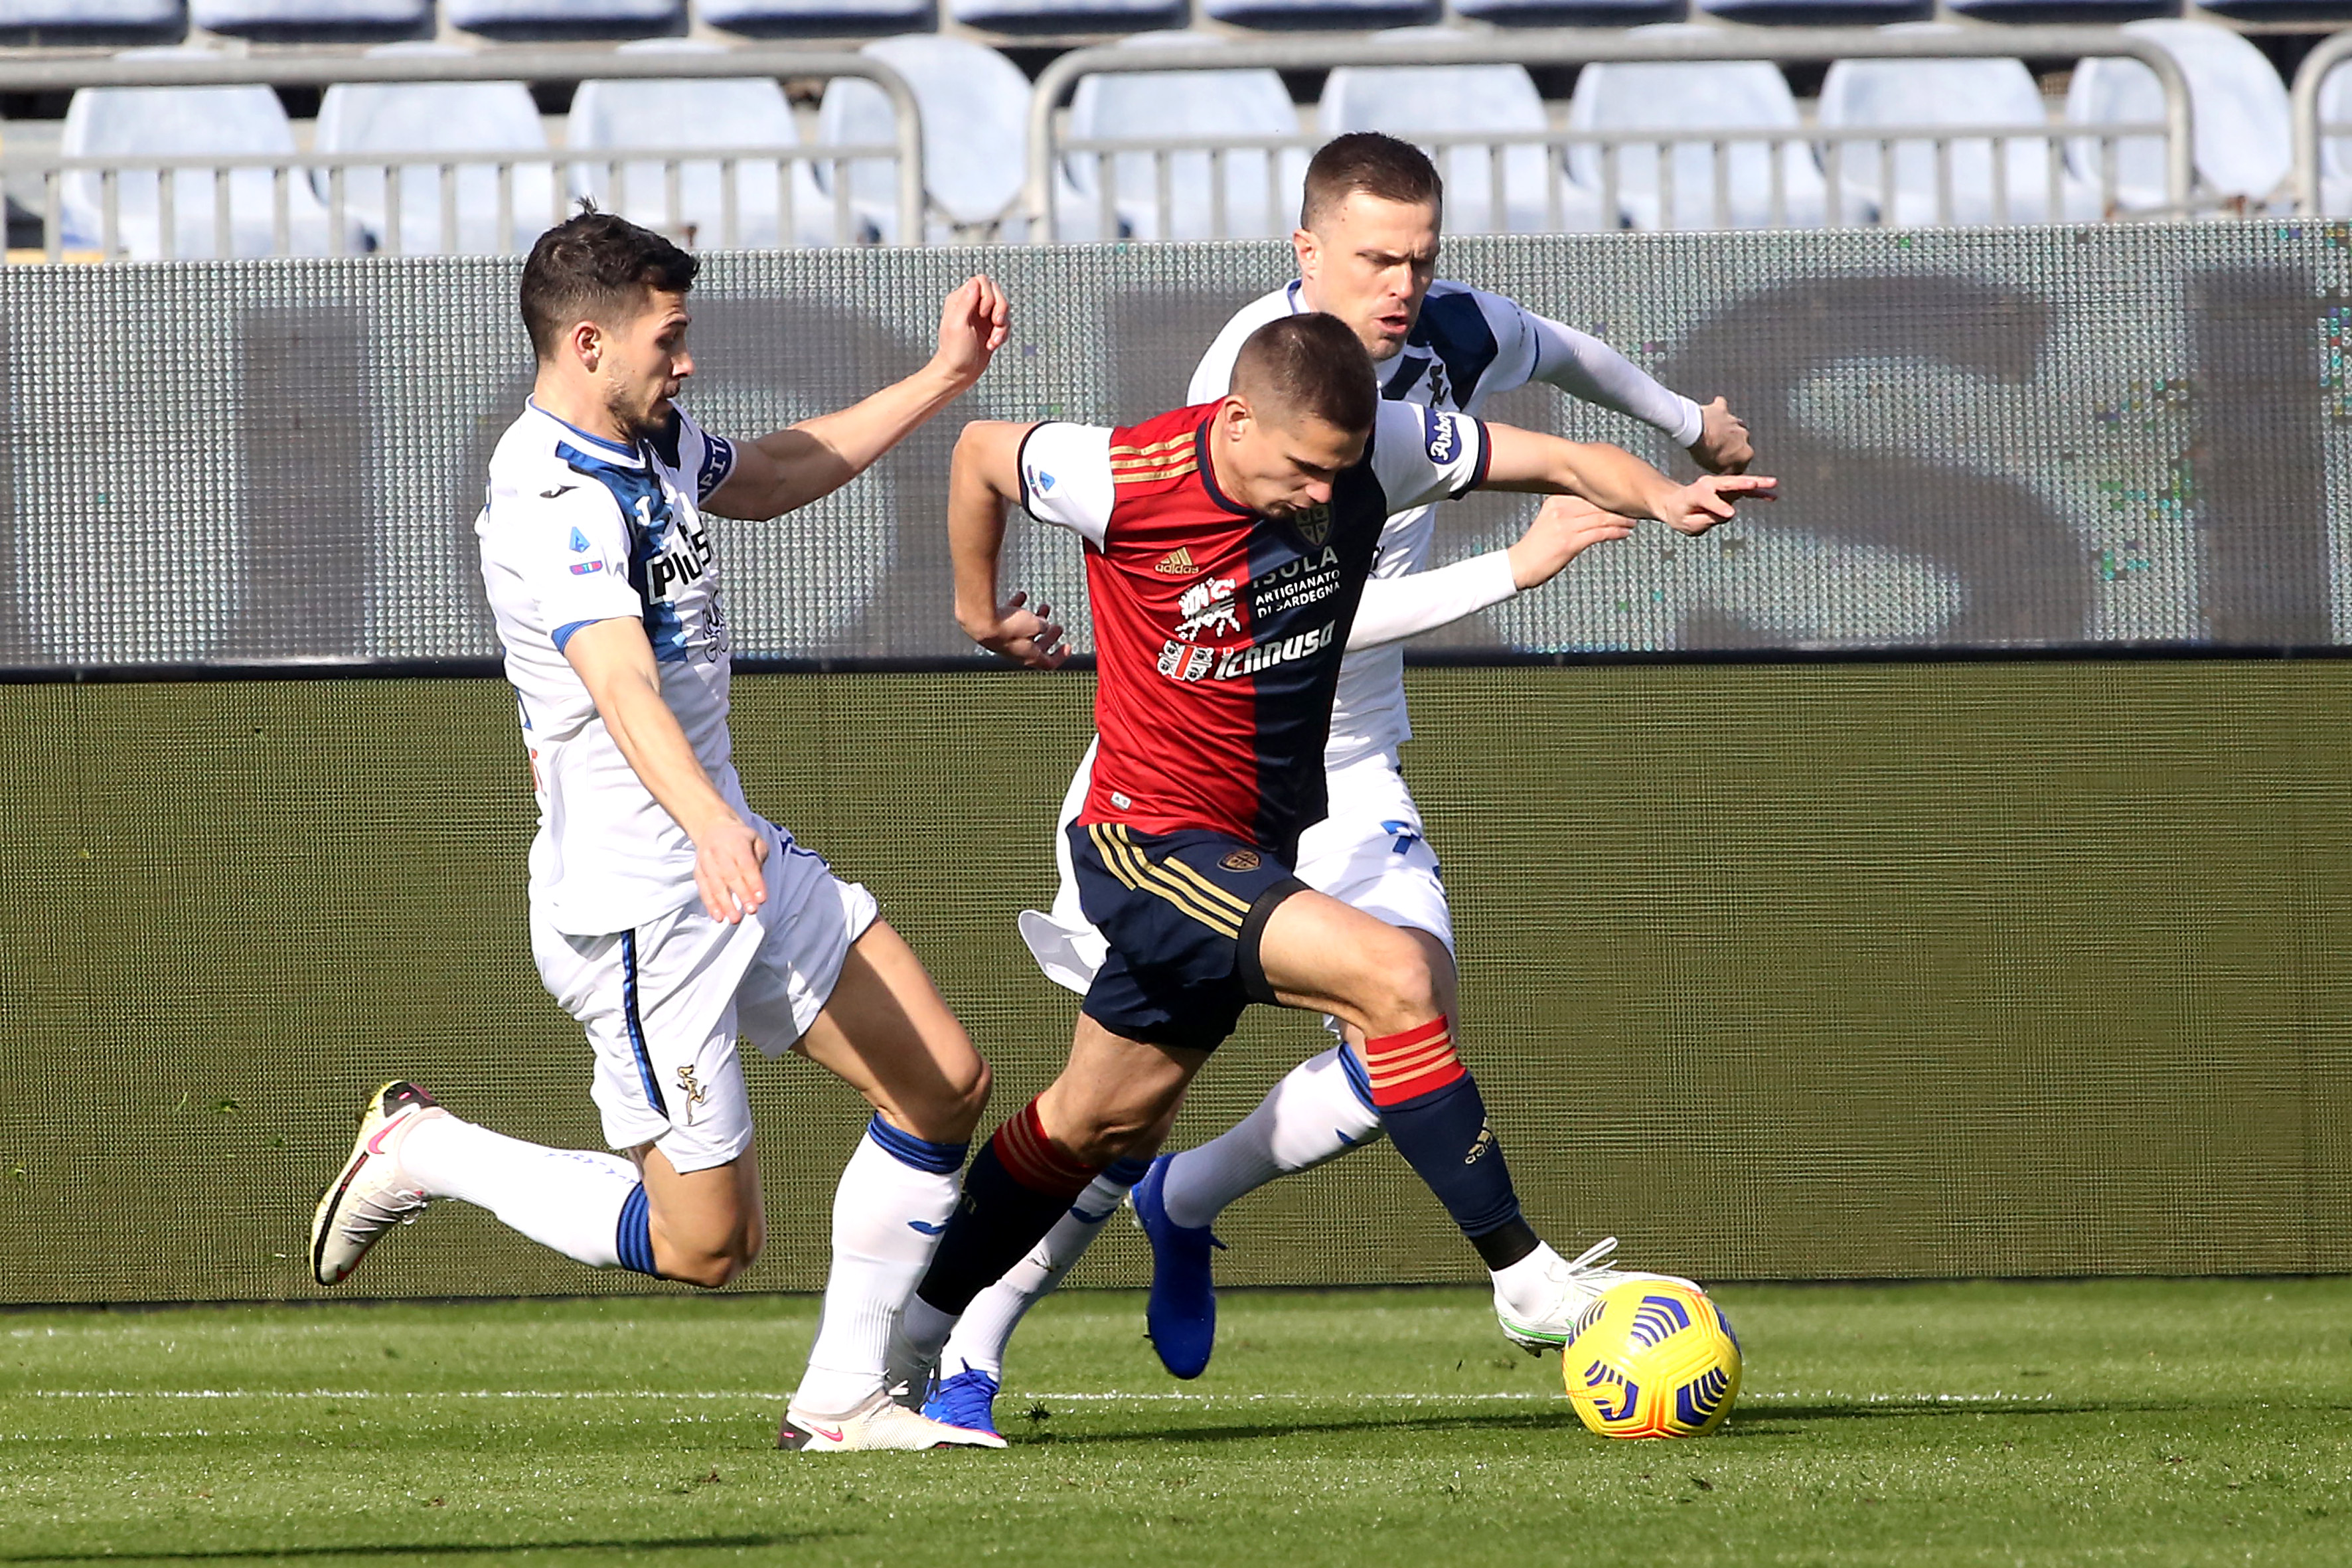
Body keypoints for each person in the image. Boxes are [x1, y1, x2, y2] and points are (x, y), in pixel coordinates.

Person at [926, 131, 1758, 1432]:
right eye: (1373, 256)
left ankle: (1189, 1200)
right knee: (1111, 1108)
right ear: (1303, 250)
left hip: (1342, 773)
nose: (1400, 283)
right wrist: (1508, 573)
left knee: (1409, 1008)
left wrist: (1678, 439)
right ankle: (965, 1342)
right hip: (1185, 778)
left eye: (1418, 257)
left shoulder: (1443, 345)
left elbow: (1563, 357)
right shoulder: (1249, 393)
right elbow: (1298, 623)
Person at [307, 209, 1013, 1453]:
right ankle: (430, 1148)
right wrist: (706, 825)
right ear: (589, 341)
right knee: (708, 1243)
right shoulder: (550, 497)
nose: (686, 362)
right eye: (668, 338)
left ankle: (844, 1400)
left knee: (943, 1081)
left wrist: (943, 377)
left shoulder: (654, 440)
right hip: (640, 904)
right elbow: (620, 680)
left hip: (720, 851)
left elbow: (781, 472)